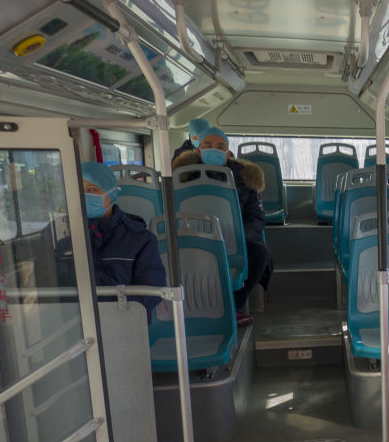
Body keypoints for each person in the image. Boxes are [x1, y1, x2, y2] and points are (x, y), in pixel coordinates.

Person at [173, 127, 273, 325]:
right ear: (199, 150)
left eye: (220, 147)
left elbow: (256, 215)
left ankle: (233, 306)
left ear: (228, 152)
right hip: (193, 238)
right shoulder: (181, 177)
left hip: (235, 238)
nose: (214, 150)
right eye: (208, 145)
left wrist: (241, 238)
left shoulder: (245, 177)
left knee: (260, 252)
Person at [70, 161, 165, 319]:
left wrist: (117, 315)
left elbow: (151, 289)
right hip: (76, 321)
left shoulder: (139, 239)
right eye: (78, 190)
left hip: (124, 320)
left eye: (91, 190)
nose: (83, 196)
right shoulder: (62, 236)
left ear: (111, 194)